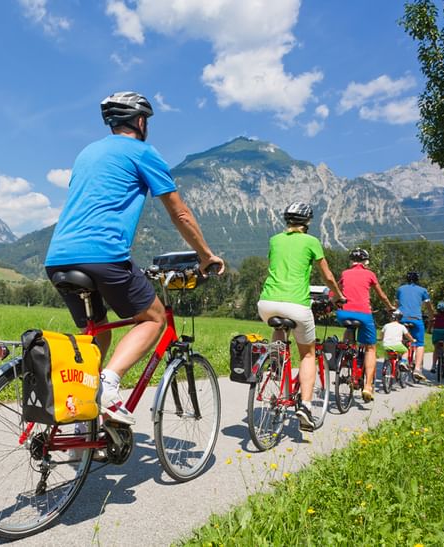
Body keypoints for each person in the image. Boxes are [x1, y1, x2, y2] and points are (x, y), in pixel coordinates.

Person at [44, 91, 225, 426]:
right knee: (153, 318)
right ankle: (109, 386)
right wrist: (206, 255)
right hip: (103, 255)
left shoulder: (87, 153)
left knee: (98, 332)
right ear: (141, 122)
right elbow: (180, 213)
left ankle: (84, 412)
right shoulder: (143, 152)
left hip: (57, 257)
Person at [257, 202, 345, 432]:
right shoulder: (311, 241)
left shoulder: (275, 240)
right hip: (296, 304)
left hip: (266, 304)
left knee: (279, 326)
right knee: (308, 354)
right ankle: (305, 406)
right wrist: (338, 295)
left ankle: (276, 363)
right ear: (307, 222)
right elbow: (327, 276)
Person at [335, 248, 397, 402]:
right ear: (366, 262)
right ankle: (368, 386)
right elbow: (381, 295)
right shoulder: (370, 274)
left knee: (349, 329)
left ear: (351, 261)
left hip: (343, 314)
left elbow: (335, 291)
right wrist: (390, 307)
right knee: (370, 348)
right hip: (363, 314)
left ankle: (346, 354)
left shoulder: (345, 273)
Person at [395, 271, 430, 381]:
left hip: (402, 318)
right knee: (419, 344)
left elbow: (396, 304)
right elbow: (428, 306)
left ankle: (403, 360)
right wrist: (432, 315)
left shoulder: (400, 289)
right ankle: (417, 369)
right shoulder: (423, 290)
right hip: (416, 319)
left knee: (403, 340)